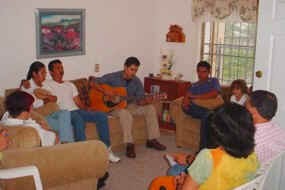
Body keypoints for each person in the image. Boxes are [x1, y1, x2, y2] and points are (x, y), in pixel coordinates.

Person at [150, 103, 259, 190]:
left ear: (218, 131)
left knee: (158, 183)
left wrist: (180, 183)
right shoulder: (253, 156)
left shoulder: (208, 156)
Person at [45, 59, 120, 162]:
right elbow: (34, 87)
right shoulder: (47, 85)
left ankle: (107, 150)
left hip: (77, 111)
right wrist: (25, 83)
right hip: (64, 114)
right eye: (58, 68)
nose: (61, 70)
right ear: (51, 72)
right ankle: (84, 156)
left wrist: (88, 109)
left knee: (101, 116)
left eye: (62, 67)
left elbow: (78, 102)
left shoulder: (70, 84)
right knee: (78, 119)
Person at [91, 56, 166, 158]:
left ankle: (152, 139)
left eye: (136, 70)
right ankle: (129, 144)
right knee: (125, 113)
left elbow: (140, 101)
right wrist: (105, 91)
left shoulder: (136, 81)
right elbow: (92, 81)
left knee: (150, 108)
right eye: (131, 69)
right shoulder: (113, 77)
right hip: (113, 108)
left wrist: (148, 100)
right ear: (125, 67)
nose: (133, 73)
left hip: (130, 105)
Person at [21, 61, 75, 143]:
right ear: (34, 74)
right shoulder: (27, 85)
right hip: (38, 116)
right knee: (66, 124)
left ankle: (65, 143)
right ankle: (67, 143)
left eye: (45, 72)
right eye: (42, 73)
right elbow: (30, 104)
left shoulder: (44, 85)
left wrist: (46, 99)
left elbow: (55, 98)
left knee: (65, 113)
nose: (45, 75)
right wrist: (46, 100)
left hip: (50, 114)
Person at [182, 61, 221, 149]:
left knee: (207, 115)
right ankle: (204, 148)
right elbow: (187, 98)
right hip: (195, 109)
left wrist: (196, 97)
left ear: (209, 72)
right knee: (188, 106)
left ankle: (202, 148)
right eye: (199, 71)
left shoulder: (214, 81)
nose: (200, 74)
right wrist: (185, 99)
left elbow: (214, 94)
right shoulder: (194, 85)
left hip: (207, 108)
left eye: (204, 72)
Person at [246, 90, 285, 164]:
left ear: (253, 111)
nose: (244, 108)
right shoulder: (279, 130)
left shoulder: (251, 140)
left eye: (246, 105)